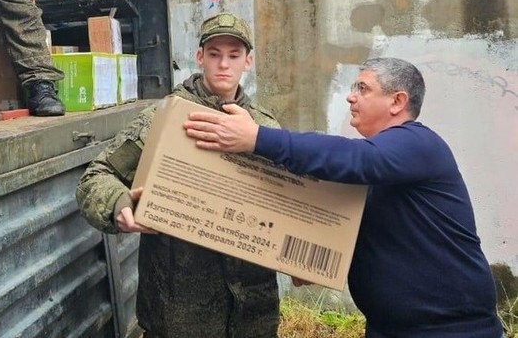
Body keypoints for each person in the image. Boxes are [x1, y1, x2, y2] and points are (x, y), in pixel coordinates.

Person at [184, 57, 504, 338]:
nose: (350, 97)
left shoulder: (419, 144)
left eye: (363, 89)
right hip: (388, 327)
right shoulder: (376, 168)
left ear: (397, 101)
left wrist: (256, 137)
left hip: (451, 331)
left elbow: (349, 157)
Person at [76, 13, 281, 337]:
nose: (224, 65)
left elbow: (286, 206)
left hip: (252, 317)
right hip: (179, 316)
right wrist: (119, 204)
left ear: (248, 60)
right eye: (214, 54)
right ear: (200, 57)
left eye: (234, 55)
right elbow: (96, 177)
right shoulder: (166, 118)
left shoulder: (265, 128)